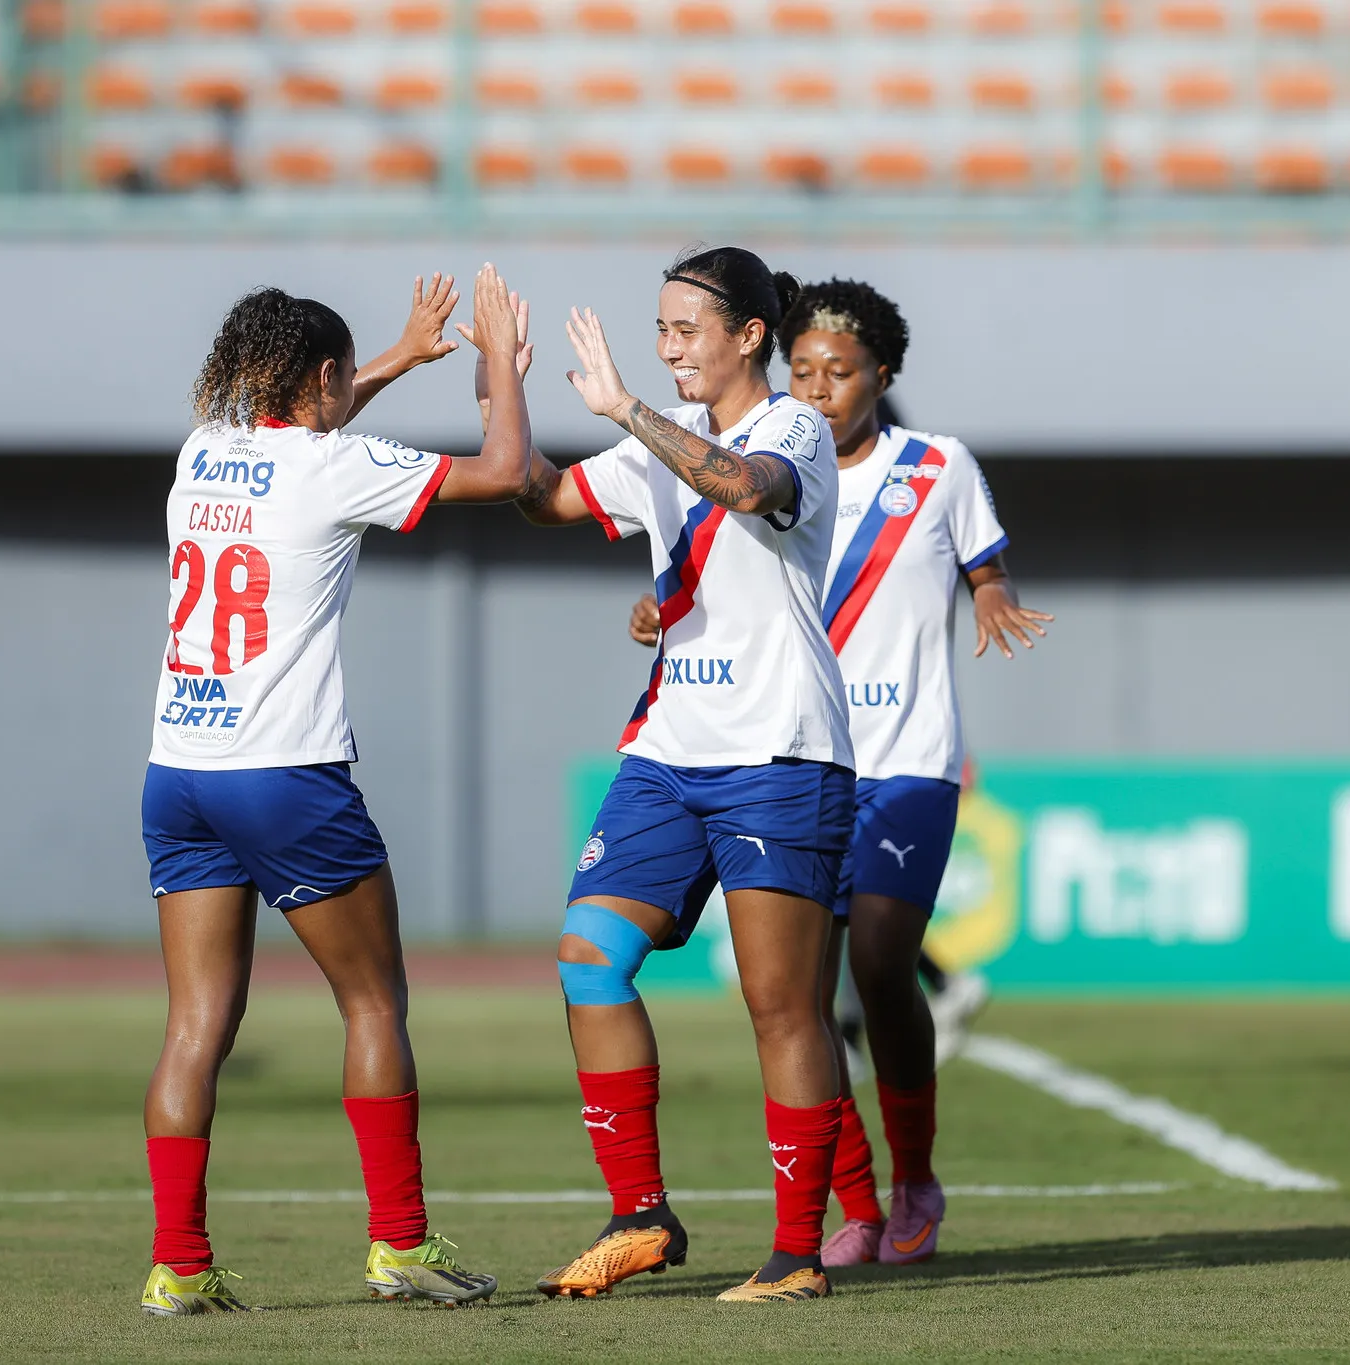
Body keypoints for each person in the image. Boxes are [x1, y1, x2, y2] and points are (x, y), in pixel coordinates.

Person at [626, 277, 1049, 1268]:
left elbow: (985, 564)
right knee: (797, 999)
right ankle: (854, 1206)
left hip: (906, 760)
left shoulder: (937, 467)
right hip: (802, 756)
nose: (818, 389)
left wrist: (990, 595)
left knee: (880, 962)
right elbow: (711, 591)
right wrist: (657, 612)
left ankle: (914, 1181)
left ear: (881, 376)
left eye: (841, 372)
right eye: (805, 370)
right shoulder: (762, 468)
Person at [137, 267, 534, 1314]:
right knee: (372, 1001)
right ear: (320, 375)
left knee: (193, 1029)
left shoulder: (202, 454)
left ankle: (178, 1264)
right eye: (346, 375)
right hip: (286, 776)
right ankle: (399, 1245)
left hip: (179, 774)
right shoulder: (333, 465)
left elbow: (300, 442)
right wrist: (496, 355)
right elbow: (504, 470)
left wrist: (396, 357)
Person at [504, 246, 854, 1303]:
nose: (666, 349)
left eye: (684, 330)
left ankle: (796, 1255)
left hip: (779, 750)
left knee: (780, 1004)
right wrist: (503, 391)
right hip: (667, 752)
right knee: (585, 959)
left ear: (749, 336)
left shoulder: (792, 425)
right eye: (658, 331)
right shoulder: (656, 439)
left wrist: (628, 411)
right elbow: (540, 500)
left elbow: (745, 490)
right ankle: (640, 1216)